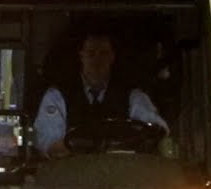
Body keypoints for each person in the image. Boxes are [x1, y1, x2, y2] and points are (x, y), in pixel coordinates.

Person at [33, 32, 168, 158]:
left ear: (112, 57)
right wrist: (89, 146)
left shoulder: (133, 96)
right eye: (91, 53)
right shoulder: (57, 96)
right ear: (82, 56)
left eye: (103, 53)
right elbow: (49, 144)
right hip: (73, 176)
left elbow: (156, 131)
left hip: (122, 174)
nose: (97, 60)